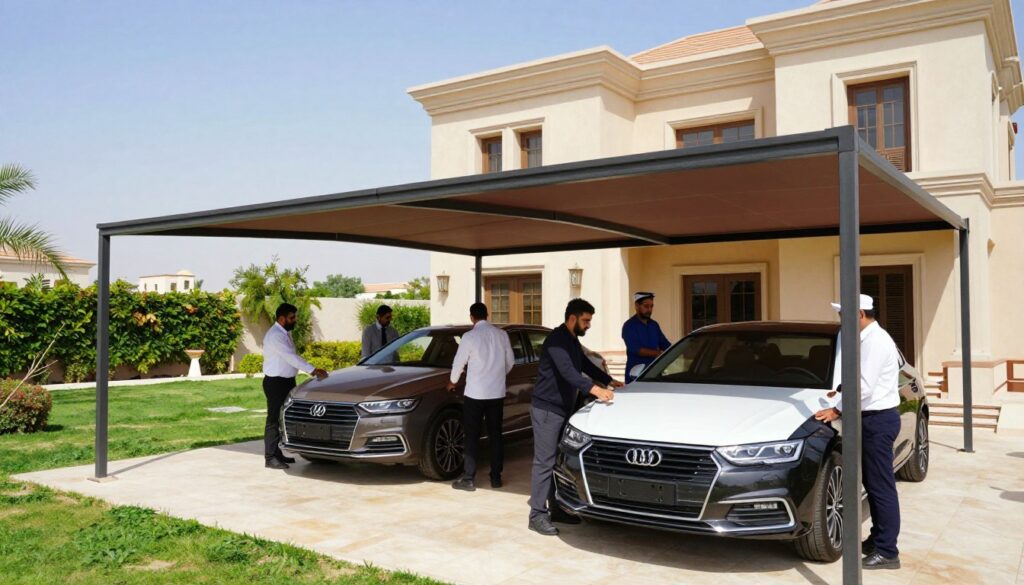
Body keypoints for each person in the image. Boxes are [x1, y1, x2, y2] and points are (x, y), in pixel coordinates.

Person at [814, 293, 902, 570]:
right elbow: (858, 380)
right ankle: (878, 539)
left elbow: (864, 388)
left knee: (880, 487)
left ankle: (888, 552)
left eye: (844, 316)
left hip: (877, 420)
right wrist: (839, 391)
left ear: (860, 315)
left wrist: (837, 410)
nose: (841, 321)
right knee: (874, 487)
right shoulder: (868, 339)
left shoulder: (875, 342)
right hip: (872, 419)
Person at [528, 298, 623, 536]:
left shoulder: (571, 340)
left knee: (558, 462)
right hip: (547, 410)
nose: (589, 325)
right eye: (586, 320)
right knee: (544, 462)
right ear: (573, 318)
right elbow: (570, 373)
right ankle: (537, 515)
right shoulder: (556, 342)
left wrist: (609, 380)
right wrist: (596, 390)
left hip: (562, 409)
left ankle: (557, 508)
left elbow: (584, 365)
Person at [446, 302, 515, 491]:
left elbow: (458, 363)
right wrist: (497, 375)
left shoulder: (469, 337)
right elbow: (510, 363)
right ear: (487, 315)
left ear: (471, 317)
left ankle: (469, 478)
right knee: (495, 435)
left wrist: (452, 382)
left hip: (475, 394)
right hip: (496, 393)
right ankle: (496, 478)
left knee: (472, 436)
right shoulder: (502, 335)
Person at [262, 303, 329, 470]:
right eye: (292, 318)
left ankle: (277, 453)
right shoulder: (275, 335)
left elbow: (292, 357)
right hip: (276, 382)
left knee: (281, 418)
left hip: (286, 382)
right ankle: (270, 457)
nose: (295, 320)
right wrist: (312, 370)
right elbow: (291, 357)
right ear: (281, 318)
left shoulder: (284, 333)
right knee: (273, 419)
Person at [621, 291, 672, 382]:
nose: (649, 309)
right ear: (636, 306)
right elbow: (636, 350)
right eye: (646, 306)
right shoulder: (629, 326)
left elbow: (665, 344)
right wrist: (660, 354)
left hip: (655, 373)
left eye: (651, 306)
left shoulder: (654, 325)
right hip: (635, 375)